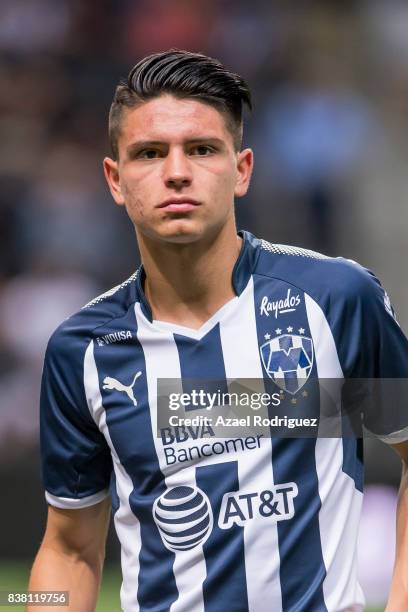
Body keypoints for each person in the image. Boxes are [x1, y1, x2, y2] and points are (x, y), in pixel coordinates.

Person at [28, 50, 408, 612]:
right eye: (149, 153)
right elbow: (71, 550)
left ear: (242, 169)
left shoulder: (334, 300)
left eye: (202, 149)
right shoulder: (81, 351)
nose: (176, 171)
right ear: (115, 179)